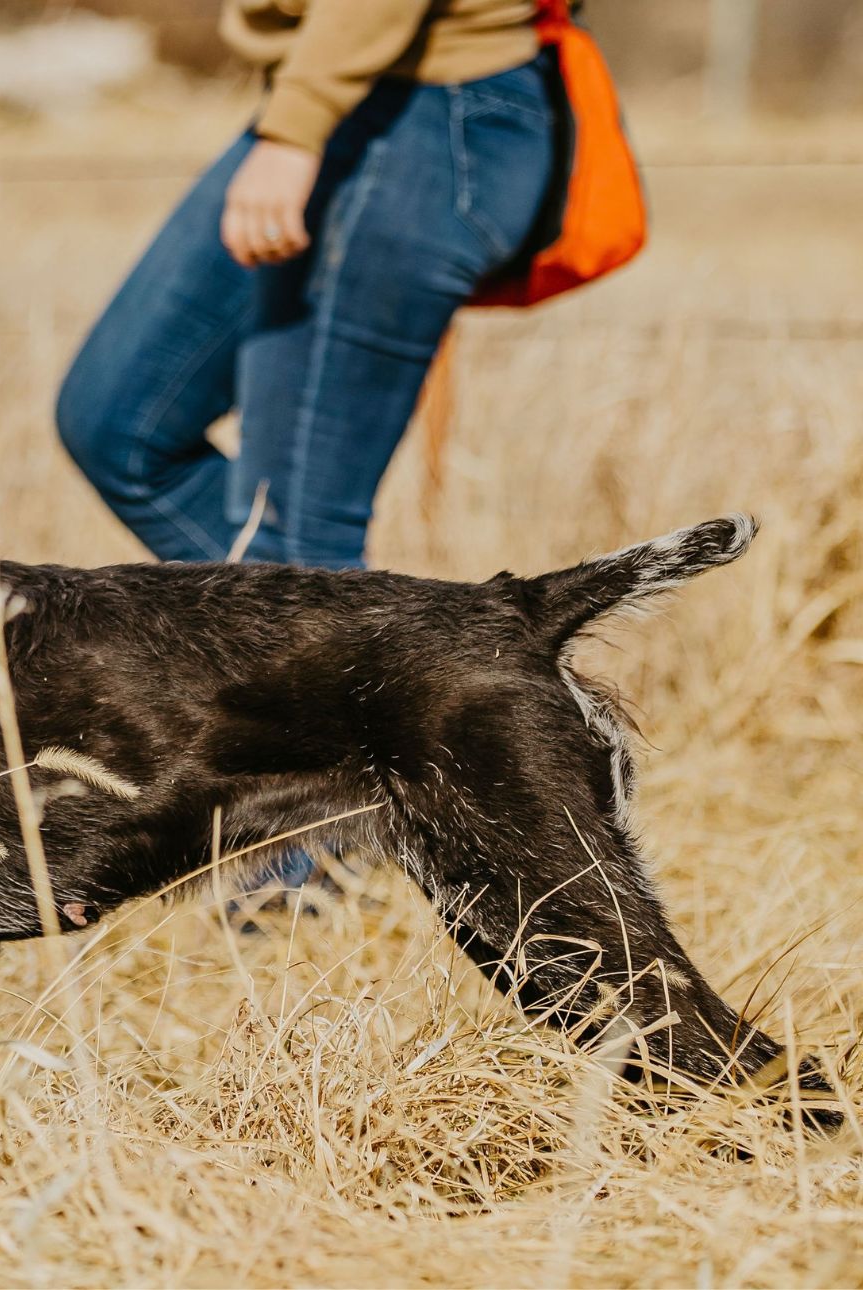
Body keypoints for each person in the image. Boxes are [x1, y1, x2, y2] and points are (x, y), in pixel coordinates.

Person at [56, 0, 558, 893]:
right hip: (328, 90)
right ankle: (402, 697)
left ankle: (296, 898)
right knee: (119, 424)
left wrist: (296, 131)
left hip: (423, 107)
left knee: (300, 525)